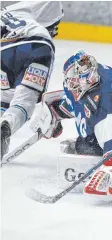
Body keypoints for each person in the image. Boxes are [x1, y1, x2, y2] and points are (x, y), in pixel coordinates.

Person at [30, 50, 112, 201]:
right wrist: (56, 112)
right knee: (85, 141)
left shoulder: (110, 98)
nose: (71, 84)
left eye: (74, 80)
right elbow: (82, 102)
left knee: (85, 146)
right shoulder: (90, 76)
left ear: (85, 78)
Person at [1, 1, 64, 159]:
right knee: (24, 100)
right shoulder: (31, 11)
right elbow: (52, 5)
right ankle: (6, 125)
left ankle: (4, 128)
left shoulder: (9, 11)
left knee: (5, 96)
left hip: (4, 49)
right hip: (38, 45)